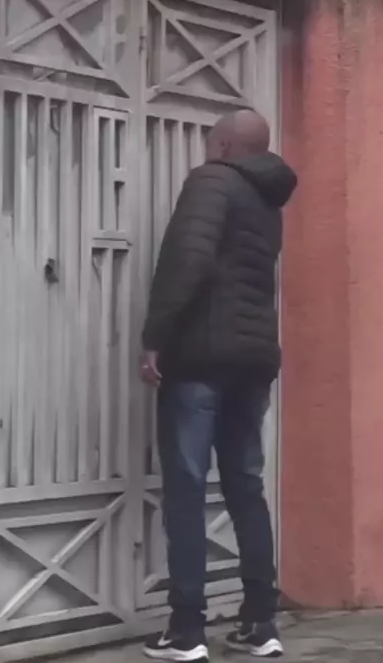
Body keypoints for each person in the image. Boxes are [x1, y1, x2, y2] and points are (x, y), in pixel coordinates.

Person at [141, 109, 297, 661]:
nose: (207, 150)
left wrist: (155, 337)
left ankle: (187, 630)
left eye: (212, 142)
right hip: (253, 360)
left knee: (186, 487)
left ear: (226, 145)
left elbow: (187, 260)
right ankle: (260, 623)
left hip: (202, 358)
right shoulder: (267, 201)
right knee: (246, 485)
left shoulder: (212, 180)